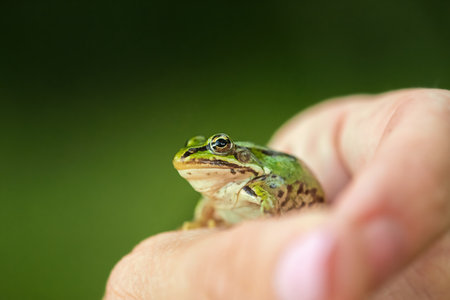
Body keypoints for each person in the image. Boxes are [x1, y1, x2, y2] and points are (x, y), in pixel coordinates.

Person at [104, 88, 450, 300]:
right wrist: (201, 222)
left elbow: (271, 202)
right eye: (195, 150)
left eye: (219, 146)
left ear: (235, 153)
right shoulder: (215, 197)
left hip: (311, 205)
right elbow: (209, 208)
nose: (199, 156)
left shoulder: (258, 182)